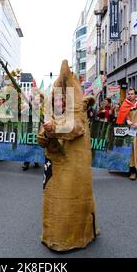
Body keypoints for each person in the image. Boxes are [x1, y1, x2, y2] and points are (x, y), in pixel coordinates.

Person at [37, 60, 98, 252]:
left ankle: (75, 237)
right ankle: (53, 236)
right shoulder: (51, 115)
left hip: (73, 167)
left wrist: (54, 128)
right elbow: (41, 140)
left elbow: (75, 128)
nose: (58, 101)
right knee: (53, 201)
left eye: (62, 98)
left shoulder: (77, 115)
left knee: (71, 200)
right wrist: (46, 133)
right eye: (56, 98)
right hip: (54, 166)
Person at [116, 88, 137, 181]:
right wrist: (126, 121)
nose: (130, 95)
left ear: (135, 95)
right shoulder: (124, 105)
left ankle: (135, 165)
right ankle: (132, 171)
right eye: (129, 94)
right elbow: (120, 117)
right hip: (128, 131)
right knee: (131, 152)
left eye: (132, 94)